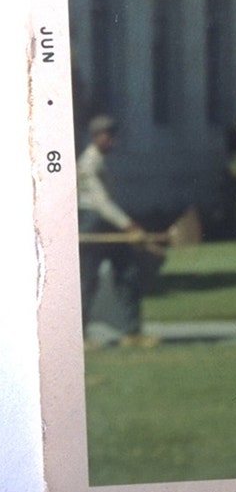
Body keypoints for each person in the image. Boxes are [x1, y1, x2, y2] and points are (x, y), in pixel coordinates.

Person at [77, 114, 159, 349]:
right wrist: (130, 226)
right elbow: (101, 203)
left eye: (113, 135)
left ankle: (131, 333)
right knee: (86, 280)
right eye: (108, 136)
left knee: (127, 273)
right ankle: (77, 338)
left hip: (106, 223)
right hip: (92, 225)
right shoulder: (88, 164)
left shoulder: (101, 161)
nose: (112, 140)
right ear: (97, 137)